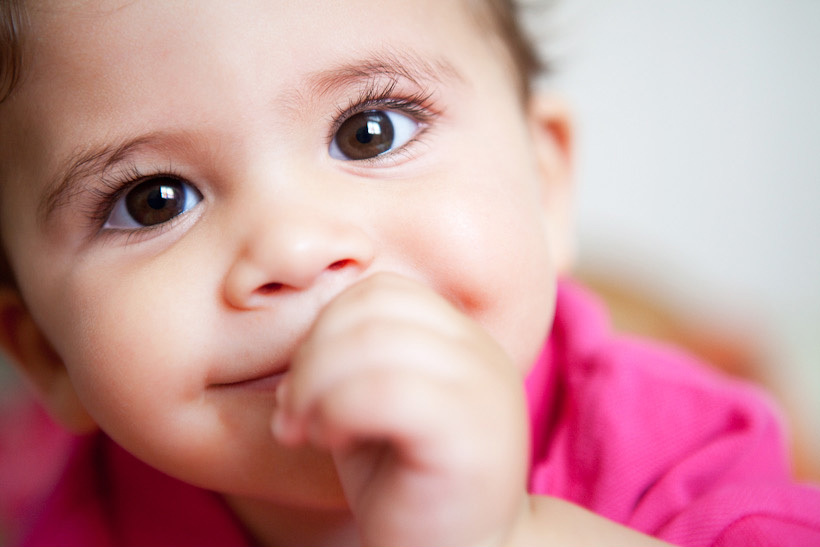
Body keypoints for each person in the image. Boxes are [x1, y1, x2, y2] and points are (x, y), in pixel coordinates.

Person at [0, 1, 817, 546]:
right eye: (154, 200)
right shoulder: (74, 515)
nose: (294, 247)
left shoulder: (672, 449)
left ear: (546, 182)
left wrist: (504, 533)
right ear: (47, 354)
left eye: (369, 131)